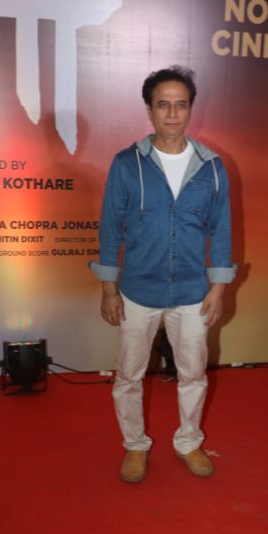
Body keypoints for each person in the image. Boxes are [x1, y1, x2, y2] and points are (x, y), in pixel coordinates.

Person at [89, 66, 236, 482]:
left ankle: (189, 441)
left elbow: (221, 230)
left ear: (191, 109)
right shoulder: (126, 164)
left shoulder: (212, 167)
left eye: (180, 104)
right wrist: (109, 289)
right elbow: (110, 227)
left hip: (192, 293)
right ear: (150, 110)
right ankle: (135, 446)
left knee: (193, 374)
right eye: (163, 104)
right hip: (137, 291)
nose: (172, 113)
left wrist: (218, 287)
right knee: (129, 376)